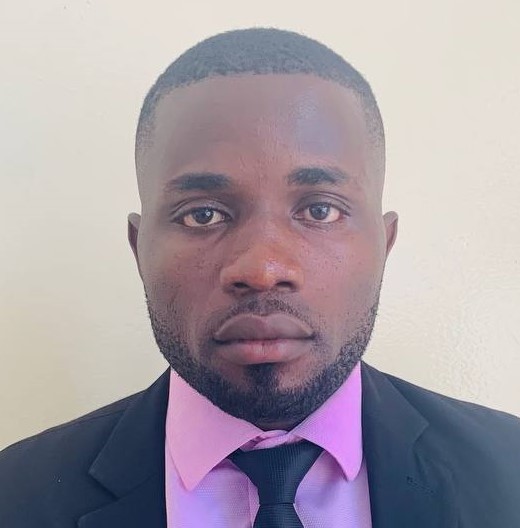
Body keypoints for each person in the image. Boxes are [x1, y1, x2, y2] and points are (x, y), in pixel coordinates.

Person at [0, 27, 519, 528]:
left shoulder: (509, 470)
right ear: (139, 249)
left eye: (320, 210)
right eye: (202, 214)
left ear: (385, 243)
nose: (263, 269)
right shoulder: (15, 495)